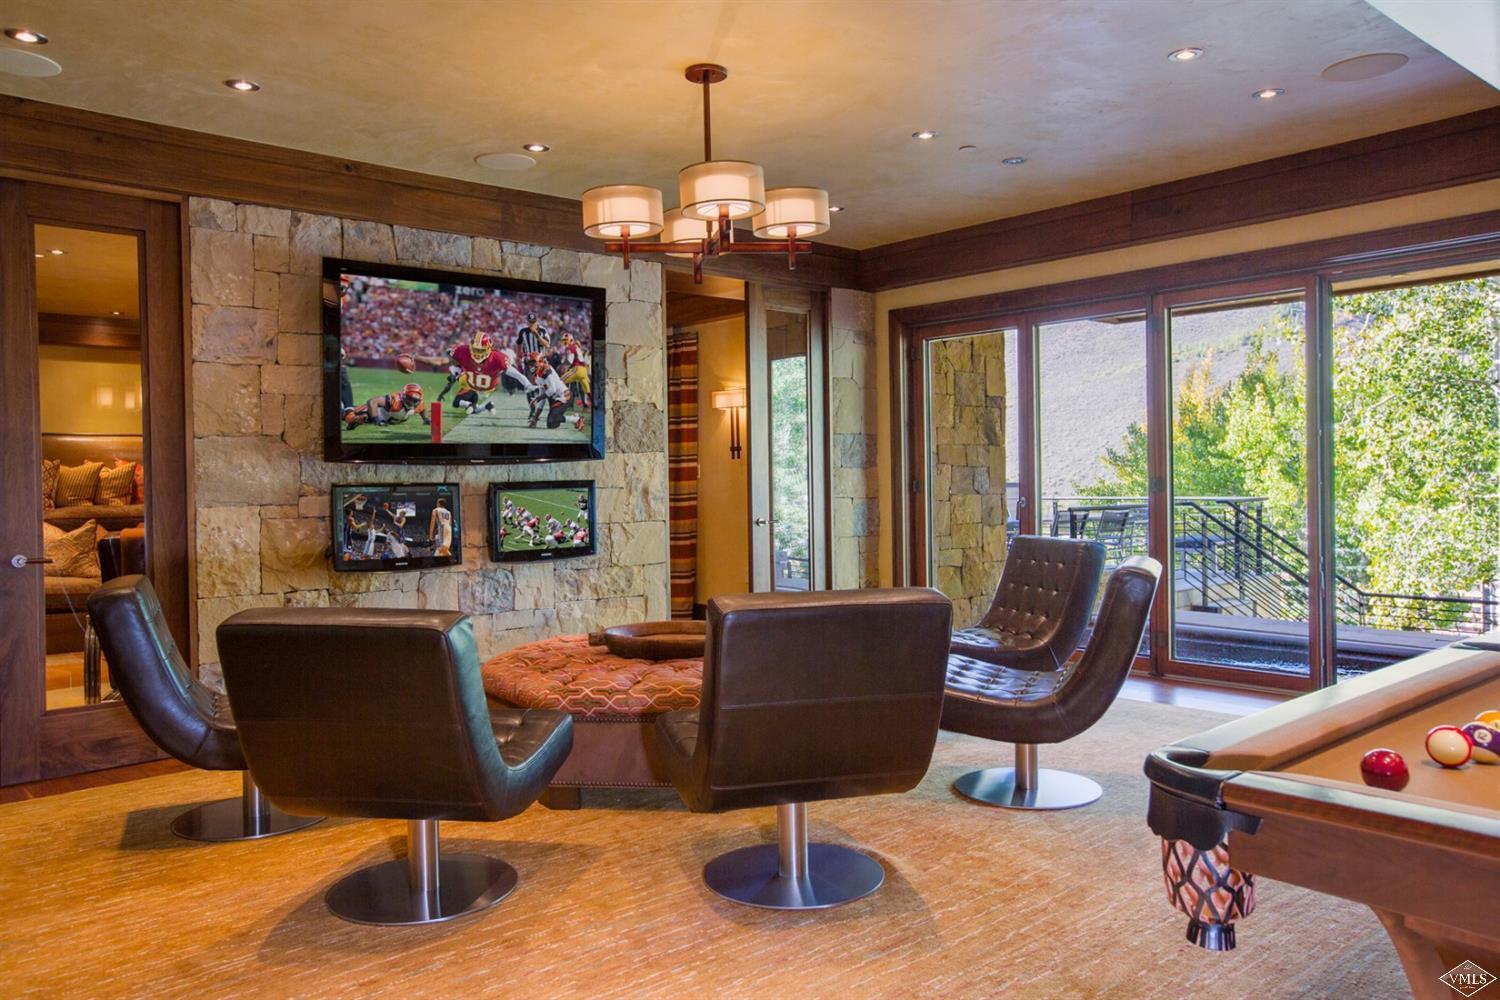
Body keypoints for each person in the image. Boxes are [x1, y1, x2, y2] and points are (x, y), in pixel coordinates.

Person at [344, 383, 428, 428]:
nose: (412, 402)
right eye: (409, 398)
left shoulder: (418, 405)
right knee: (347, 414)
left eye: (415, 400)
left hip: (384, 419)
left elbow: (423, 408)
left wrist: (425, 419)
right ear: (403, 395)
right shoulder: (395, 401)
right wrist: (376, 420)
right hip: (371, 412)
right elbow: (372, 402)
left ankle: (361, 420)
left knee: (363, 418)